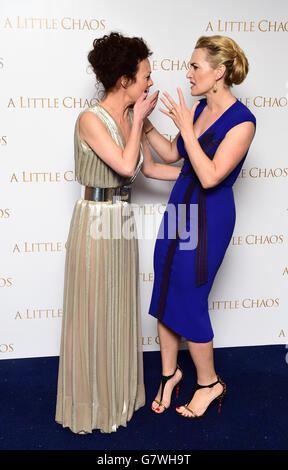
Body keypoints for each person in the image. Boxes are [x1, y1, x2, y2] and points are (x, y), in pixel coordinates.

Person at [55, 32, 180, 434]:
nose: (150, 82)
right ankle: (93, 402)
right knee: (94, 311)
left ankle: (119, 396)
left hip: (121, 218)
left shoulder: (133, 117)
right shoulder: (91, 120)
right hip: (94, 220)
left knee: (118, 306)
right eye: (145, 75)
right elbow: (125, 167)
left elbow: (155, 167)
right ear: (124, 79)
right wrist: (140, 120)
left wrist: (207, 177)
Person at [145, 35, 256, 417]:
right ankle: (169, 373)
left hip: (209, 217)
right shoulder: (196, 109)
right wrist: (143, 124)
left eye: (195, 66)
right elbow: (172, 155)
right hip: (180, 207)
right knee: (164, 288)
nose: (188, 73)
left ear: (219, 72)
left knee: (190, 297)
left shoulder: (243, 122)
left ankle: (209, 384)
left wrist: (186, 127)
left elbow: (209, 176)